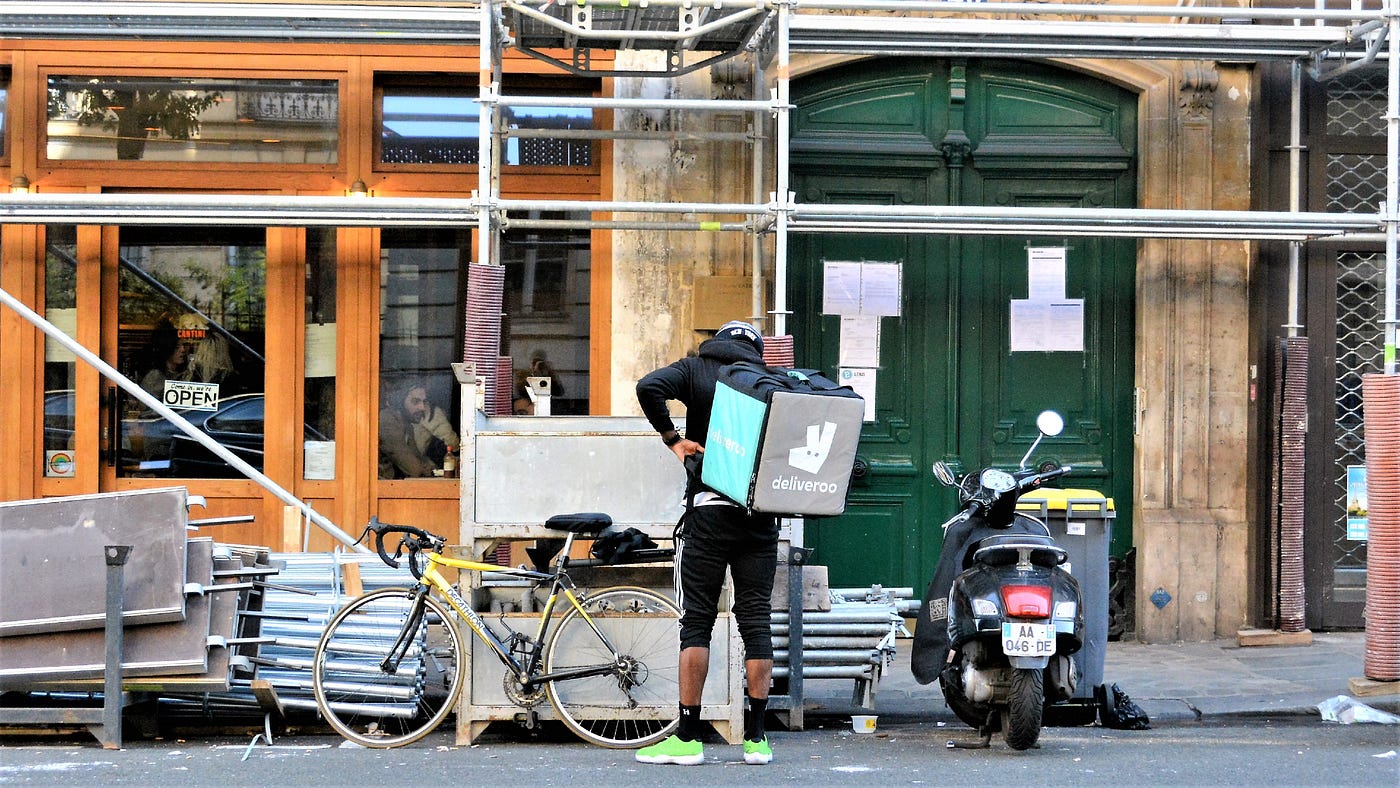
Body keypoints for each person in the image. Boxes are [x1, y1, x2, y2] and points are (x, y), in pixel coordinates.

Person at [633, 320, 778, 767]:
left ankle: (688, 737)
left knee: (696, 621)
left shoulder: (697, 370)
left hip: (709, 512)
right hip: (760, 517)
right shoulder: (770, 383)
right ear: (755, 349)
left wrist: (673, 439)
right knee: (755, 620)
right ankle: (756, 738)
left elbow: (648, 387)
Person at [378, 378, 441, 479]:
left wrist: (431, 467)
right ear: (399, 401)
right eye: (415, 402)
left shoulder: (406, 424)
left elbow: (419, 458)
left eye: (424, 402)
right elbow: (414, 468)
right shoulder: (387, 420)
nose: (422, 407)